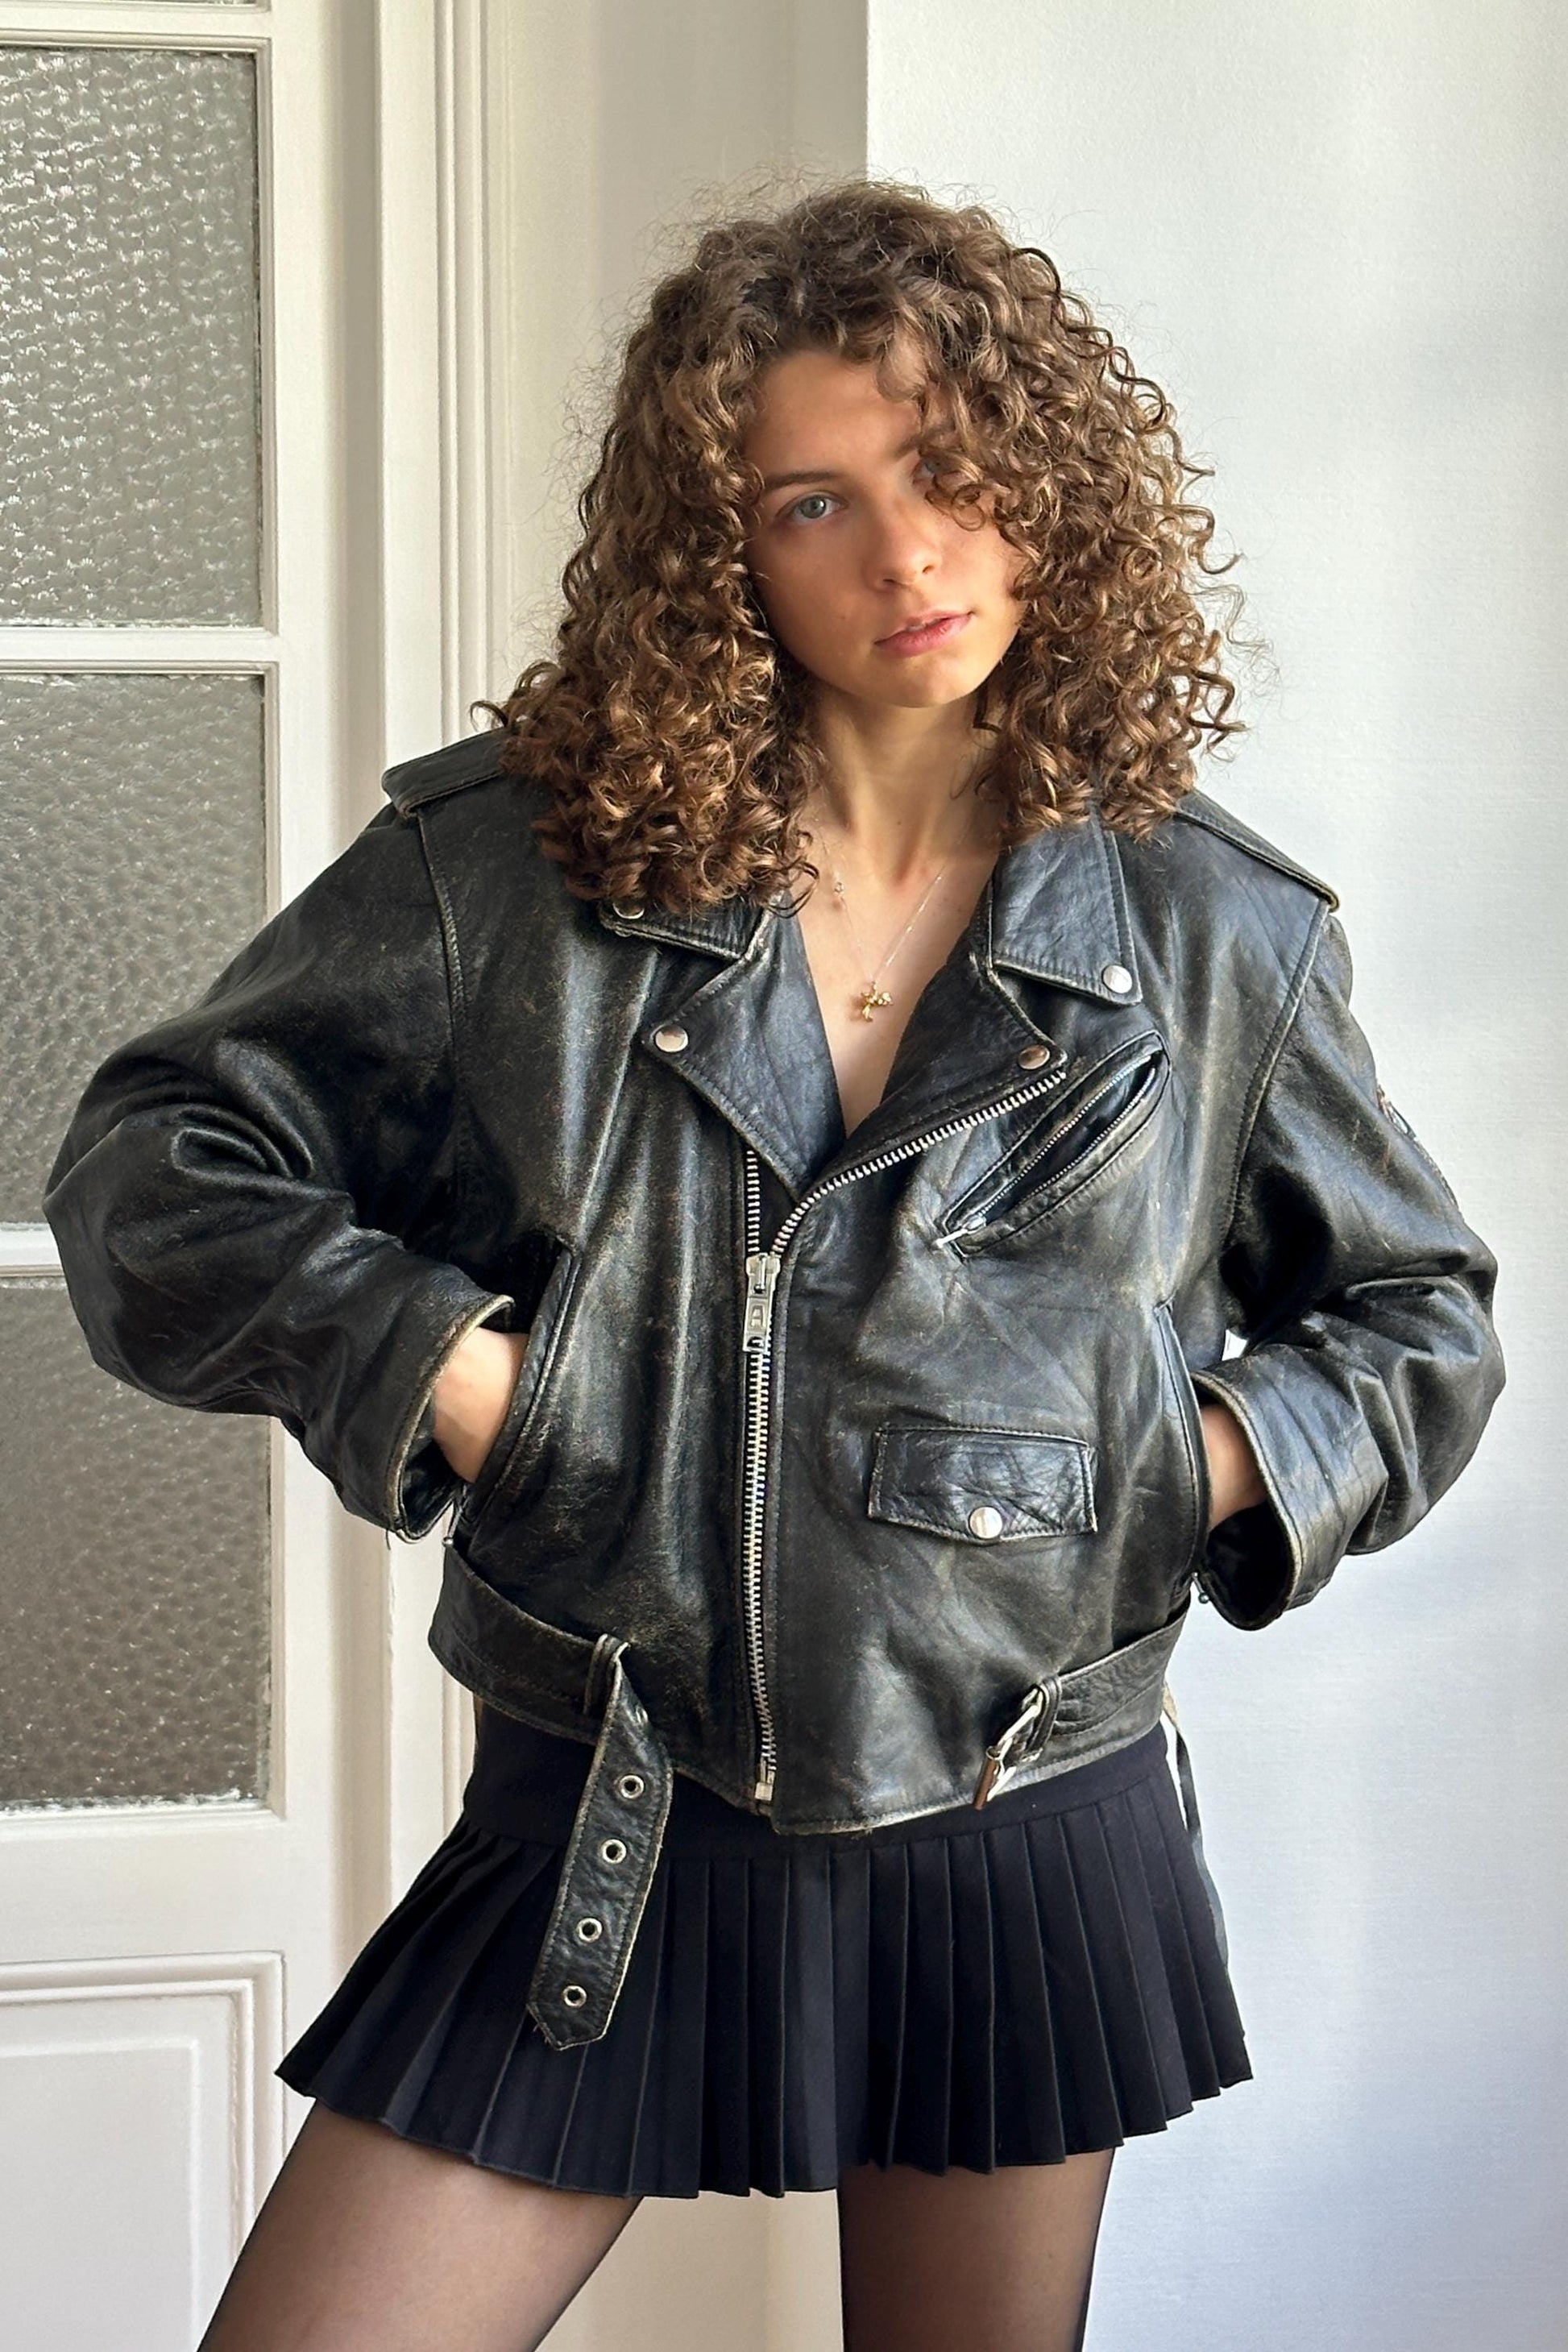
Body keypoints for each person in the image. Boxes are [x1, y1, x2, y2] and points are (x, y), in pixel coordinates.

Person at [42, 179, 1505, 2352]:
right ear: (716, 547)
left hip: (1023, 1801)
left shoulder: (1218, 937)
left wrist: (1155, 1459)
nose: (905, 561)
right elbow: (155, 1168)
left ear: (1047, 490)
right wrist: (460, 1376)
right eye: (813, 502)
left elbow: (1413, 1326)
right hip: (614, 1804)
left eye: (946, 477)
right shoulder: (511, 880)